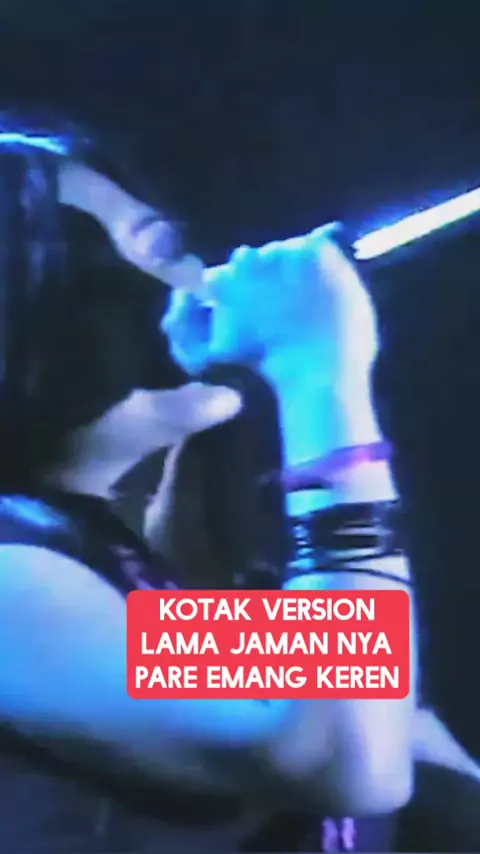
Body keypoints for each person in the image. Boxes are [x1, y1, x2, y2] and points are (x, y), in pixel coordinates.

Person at [0, 123, 411, 854]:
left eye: (163, 248)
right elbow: (343, 753)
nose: (178, 289)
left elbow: (400, 740)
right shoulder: (10, 585)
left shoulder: (112, 565)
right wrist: (319, 380)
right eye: (94, 278)